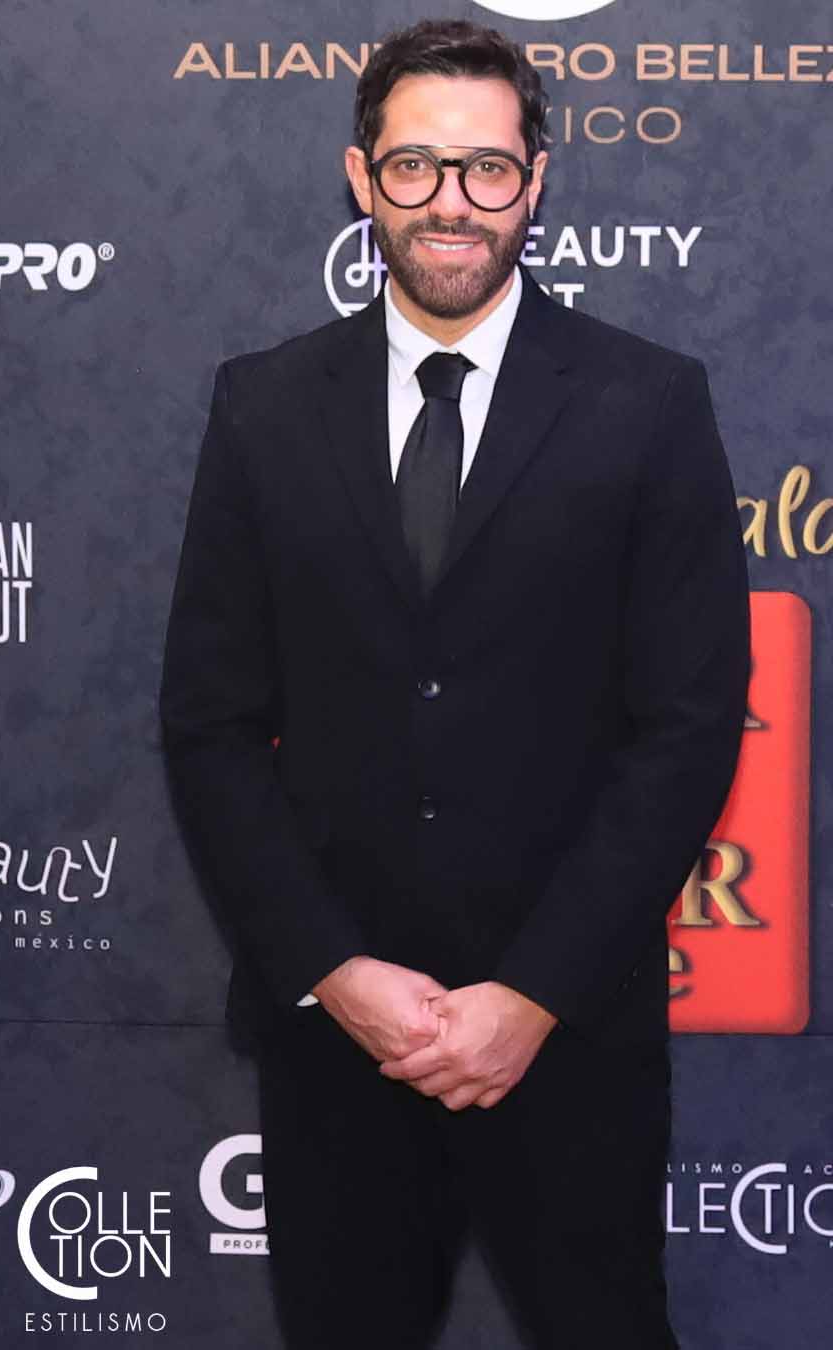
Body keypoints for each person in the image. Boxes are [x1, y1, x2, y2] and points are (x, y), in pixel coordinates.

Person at [159, 18, 750, 1350]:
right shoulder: (262, 406)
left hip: (571, 1035)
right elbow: (208, 724)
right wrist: (332, 969)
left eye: (486, 168)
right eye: (415, 165)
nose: (451, 202)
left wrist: (532, 992)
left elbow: (687, 727)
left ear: (535, 182)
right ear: (361, 178)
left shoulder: (649, 403)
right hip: (337, 1041)